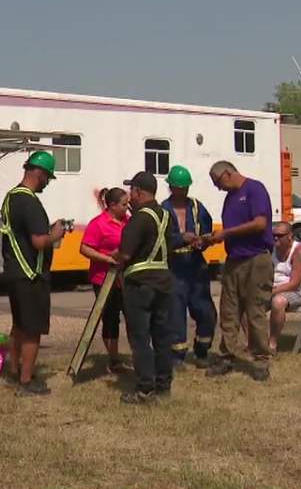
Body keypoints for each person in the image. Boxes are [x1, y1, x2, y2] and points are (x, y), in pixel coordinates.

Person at [0, 151, 67, 396]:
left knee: (18, 325)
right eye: (48, 177)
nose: (47, 182)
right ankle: (27, 381)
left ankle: (15, 370)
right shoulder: (30, 202)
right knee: (32, 329)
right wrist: (56, 234)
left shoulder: (11, 197)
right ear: (38, 173)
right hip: (31, 274)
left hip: (14, 271)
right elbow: (39, 241)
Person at [203, 160, 274, 381]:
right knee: (229, 311)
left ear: (227, 173)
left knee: (255, 311)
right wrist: (213, 239)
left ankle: (261, 359)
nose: (217, 187)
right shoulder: (229, 199)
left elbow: (260, 223)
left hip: (256, 259)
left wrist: (227, 233)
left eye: (217, 182)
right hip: (234, 259)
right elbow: (230, 231)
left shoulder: (254, 189)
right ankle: (227, 355)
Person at [113, 172, 178, 404]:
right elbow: (170, 246)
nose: (130, 195)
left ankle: (144, 389)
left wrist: (117, 258)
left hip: (140, 284)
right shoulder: (166, 216)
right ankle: (163, 384)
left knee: (140, 338)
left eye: (132, 191)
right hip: (163, 281)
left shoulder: (139, 219)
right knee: (161, 336)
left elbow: (126, 253)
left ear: (139, 191)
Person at [160, 165, 217, 367]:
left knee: (205, 310)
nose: (182, 192)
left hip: (196, 264)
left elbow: (208, 229)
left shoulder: (196, 206)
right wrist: (181, 238)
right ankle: (177, 355)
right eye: (178, 188)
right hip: (174, 266)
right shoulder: (163, 210)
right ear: (171, 187)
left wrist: (204, 241)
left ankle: (202, 350)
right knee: (175, 311)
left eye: (185, 188)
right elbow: (160, 241)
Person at [78, 187, 131, 373]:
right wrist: (108, 259)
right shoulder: (98, 224)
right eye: (124, 204)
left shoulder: (128, 220)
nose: (127, 207)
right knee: (110, 318)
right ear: (113, 205)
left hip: (124, 277)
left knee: (131, 315)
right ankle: (114, 358)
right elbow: (84, 248)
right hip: (104, 278)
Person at [268, 221, 301, 353]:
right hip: (274, 289)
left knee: (278, 302)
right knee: (245, 299)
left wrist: (272, 292)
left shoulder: (299, 252)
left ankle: (272, 344)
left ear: (289, 236)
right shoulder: (272, 250)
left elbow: (294, 283)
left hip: (297, 292)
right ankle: (251, 342)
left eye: (280, 235)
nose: (276, 238)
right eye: (274, 235)